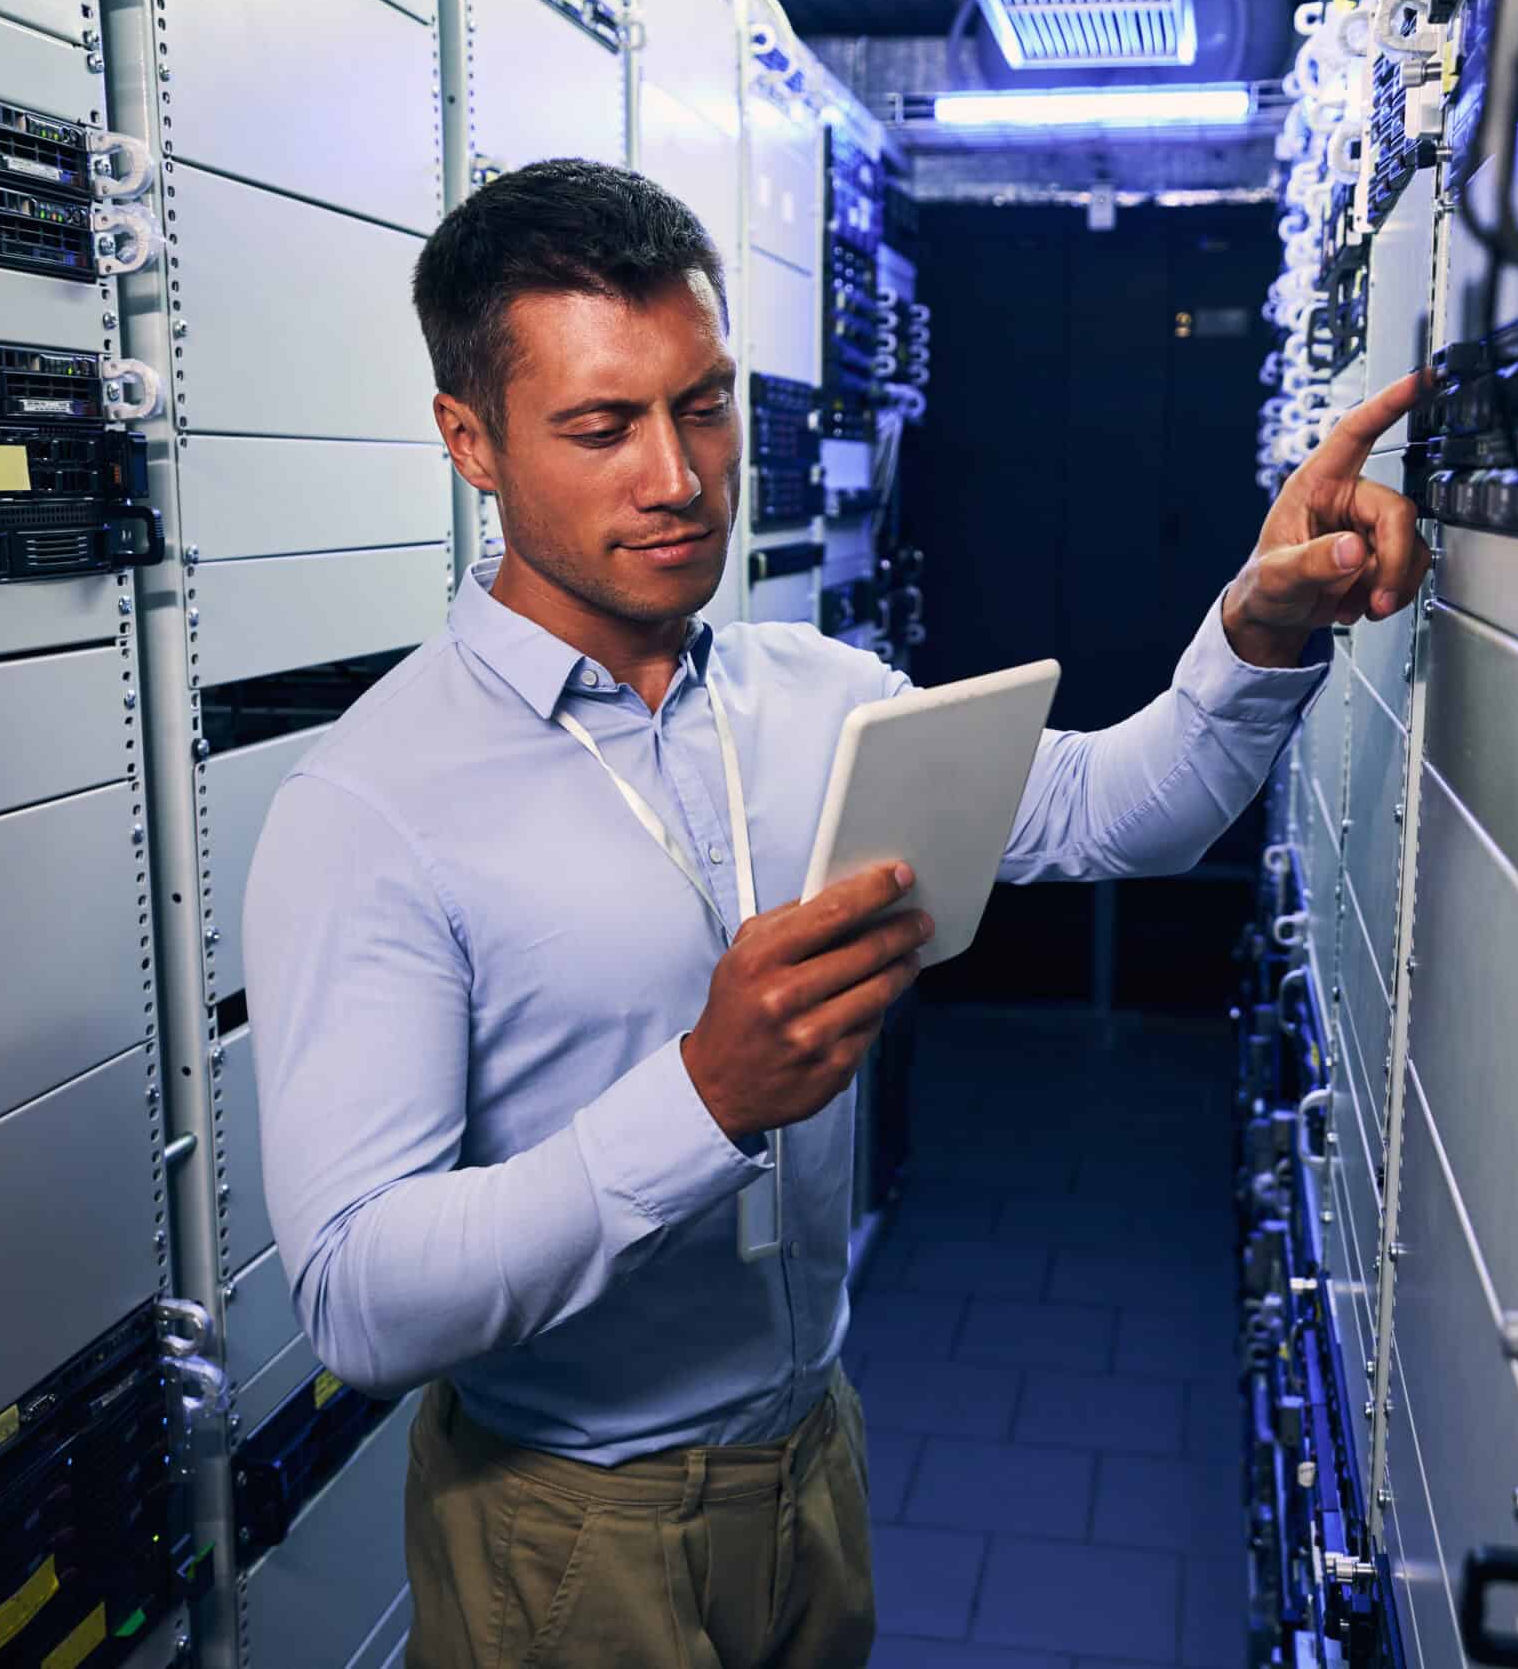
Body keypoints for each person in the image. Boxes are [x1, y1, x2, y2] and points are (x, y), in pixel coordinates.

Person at [244, 157, 1429, 1669]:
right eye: (602, 426)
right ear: (468, 442)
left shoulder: (816, 695)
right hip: (563, 1524)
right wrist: (701, 1099)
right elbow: (354, 1298)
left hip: (812, 1453)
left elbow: (1118, 811)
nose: (678, 477)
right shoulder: (371, 807)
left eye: (705, 404)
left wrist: (1257, 632)